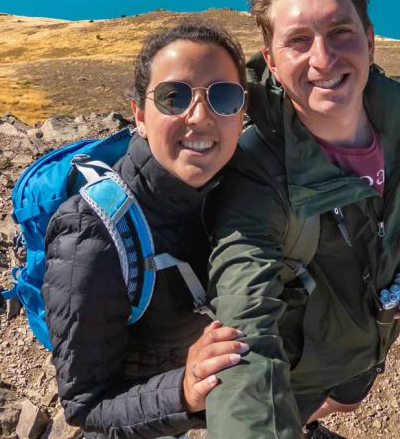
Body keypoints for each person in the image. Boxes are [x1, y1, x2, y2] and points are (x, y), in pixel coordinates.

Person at [207, 0, 400, 438]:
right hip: (300, 366)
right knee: (296, 413)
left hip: (371, 340)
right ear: (272, 61)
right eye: (298, 40)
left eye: (340, 31)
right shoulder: (256, 173)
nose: (322, 59)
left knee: (350, 399)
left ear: (370, 41)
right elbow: (244, 325)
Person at [43, 22, 250, 438]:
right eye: (174, 97)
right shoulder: (92, 236)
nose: (200, 115)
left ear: (242, 113)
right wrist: (184, 392)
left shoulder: (240, 188)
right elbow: (86, 404)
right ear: (139, 114)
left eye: (223, 97)